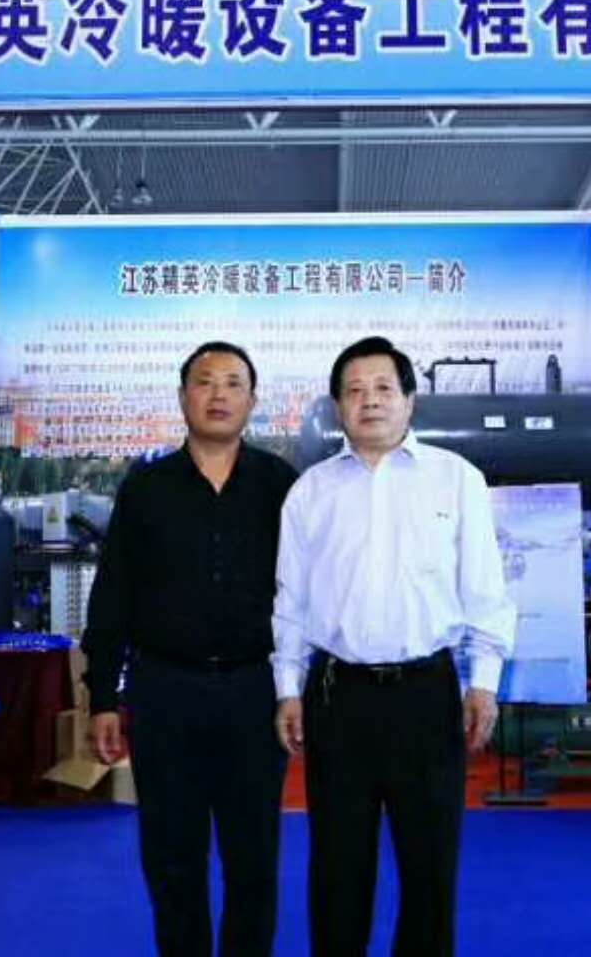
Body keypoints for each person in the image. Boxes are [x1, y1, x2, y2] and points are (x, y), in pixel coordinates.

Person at [273, 336, 514, 957]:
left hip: (426, 695)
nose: (369, 401)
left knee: (430, 867)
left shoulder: (456, 480)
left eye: (383, 388)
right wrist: (287, 690)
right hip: (338, 697)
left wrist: (484, 683)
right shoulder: (310, 493)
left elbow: (485, 591)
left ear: (410, 400)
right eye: (354, 391)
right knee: (337, 868)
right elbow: (290, 603)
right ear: (337, 406)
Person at [82, 341, 298, 957]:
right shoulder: (147, 487)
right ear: (183, 398)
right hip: (165, 693)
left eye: (233, 383)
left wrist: (299, 687)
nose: (219, 394)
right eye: (205, 382)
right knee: (172, 858)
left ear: (252, 401)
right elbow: (113, 596)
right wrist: (103, 697)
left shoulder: (282, 486)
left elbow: (307, 594)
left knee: (253, 859)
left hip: (254, 693)